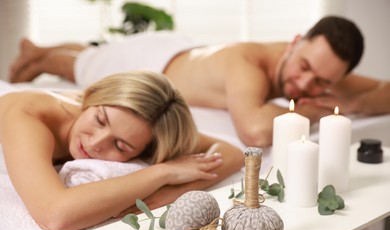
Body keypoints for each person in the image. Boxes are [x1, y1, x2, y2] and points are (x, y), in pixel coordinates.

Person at [8, 16, 390, 147]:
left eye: (322, 80)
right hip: (150, 65)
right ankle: (38, 56)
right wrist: (319, 108)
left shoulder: (318, 70)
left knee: (93, 51)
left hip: (192, 53)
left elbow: (385, 93)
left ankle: (39, 49)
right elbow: (255, 131)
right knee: (84, 63)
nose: (305, 81)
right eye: (303, 66)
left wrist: (351, 101)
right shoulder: (248, 63)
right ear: (294, 43)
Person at [0, 70, 244, 230]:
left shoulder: (147, 128)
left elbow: (231, 153)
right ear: (92, 96)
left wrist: (173, 192)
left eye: (120, 145)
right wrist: (163, 173)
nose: (96, 143)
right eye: (99, 119)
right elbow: (54, 216)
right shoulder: (28, 115)